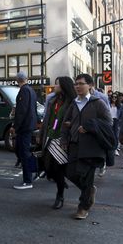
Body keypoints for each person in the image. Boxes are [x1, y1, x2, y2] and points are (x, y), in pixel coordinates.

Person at [61, 74, 112, 220]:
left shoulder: (98, 103)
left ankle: (83, 207)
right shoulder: (74, 103)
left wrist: (90, 127)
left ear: (89, 85)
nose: (77, 86)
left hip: (92, 146)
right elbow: (65, 122)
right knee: (70, 173)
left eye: (81, 84)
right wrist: (64, 138)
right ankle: (89, 191)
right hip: (74, 144)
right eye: (76, 84)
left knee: (87, 176)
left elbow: (109, 123)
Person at [38, 76, 76, 209]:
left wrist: (71, 124)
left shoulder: (72, 102)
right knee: (48, 167)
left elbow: (76, 120)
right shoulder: (52, 101)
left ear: (64, 86)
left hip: (62, 139)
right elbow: (47, 119)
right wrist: (41, 134)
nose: (55, 87)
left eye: (57, 84)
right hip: (50, 137)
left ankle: (60, 195)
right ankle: (61, 182)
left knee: (57, 168)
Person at [11, 71, 38, 190]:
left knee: (24, 152)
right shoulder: (31, 90)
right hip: (30, 124)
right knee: (25, 151)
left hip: (24, 126)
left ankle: (28, 180)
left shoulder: (24, 91)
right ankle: (32, 174)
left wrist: (15, 126)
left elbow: (21, 111)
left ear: (18, 79)